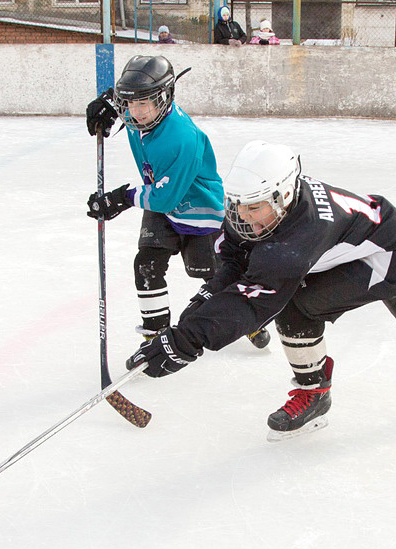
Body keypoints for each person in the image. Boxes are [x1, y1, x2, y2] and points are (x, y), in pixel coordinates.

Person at [127, 141, 396, 441]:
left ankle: (314, 396)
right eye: (238, 205)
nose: (244, 216)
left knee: (297, 310)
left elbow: (256, 302)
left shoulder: (297, 237)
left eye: (255, 207)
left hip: (390, 251)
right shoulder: (269, 204)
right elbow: (236, 256)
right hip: (376, 233)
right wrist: (206, 298)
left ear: (285, 193)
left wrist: (186, 340)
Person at [85, 56, 270, 348]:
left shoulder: (182, 138)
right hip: (161, 206)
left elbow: (166, 196)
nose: (135, 112)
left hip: (200, 212)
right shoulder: (140, 113)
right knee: (146, 264)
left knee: (213, 276)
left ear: (164, 98)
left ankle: (246, 317)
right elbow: (131, 101)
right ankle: (155, 334)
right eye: (128, 103)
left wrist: (120, 198)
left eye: (143, 103)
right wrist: (107, 104)